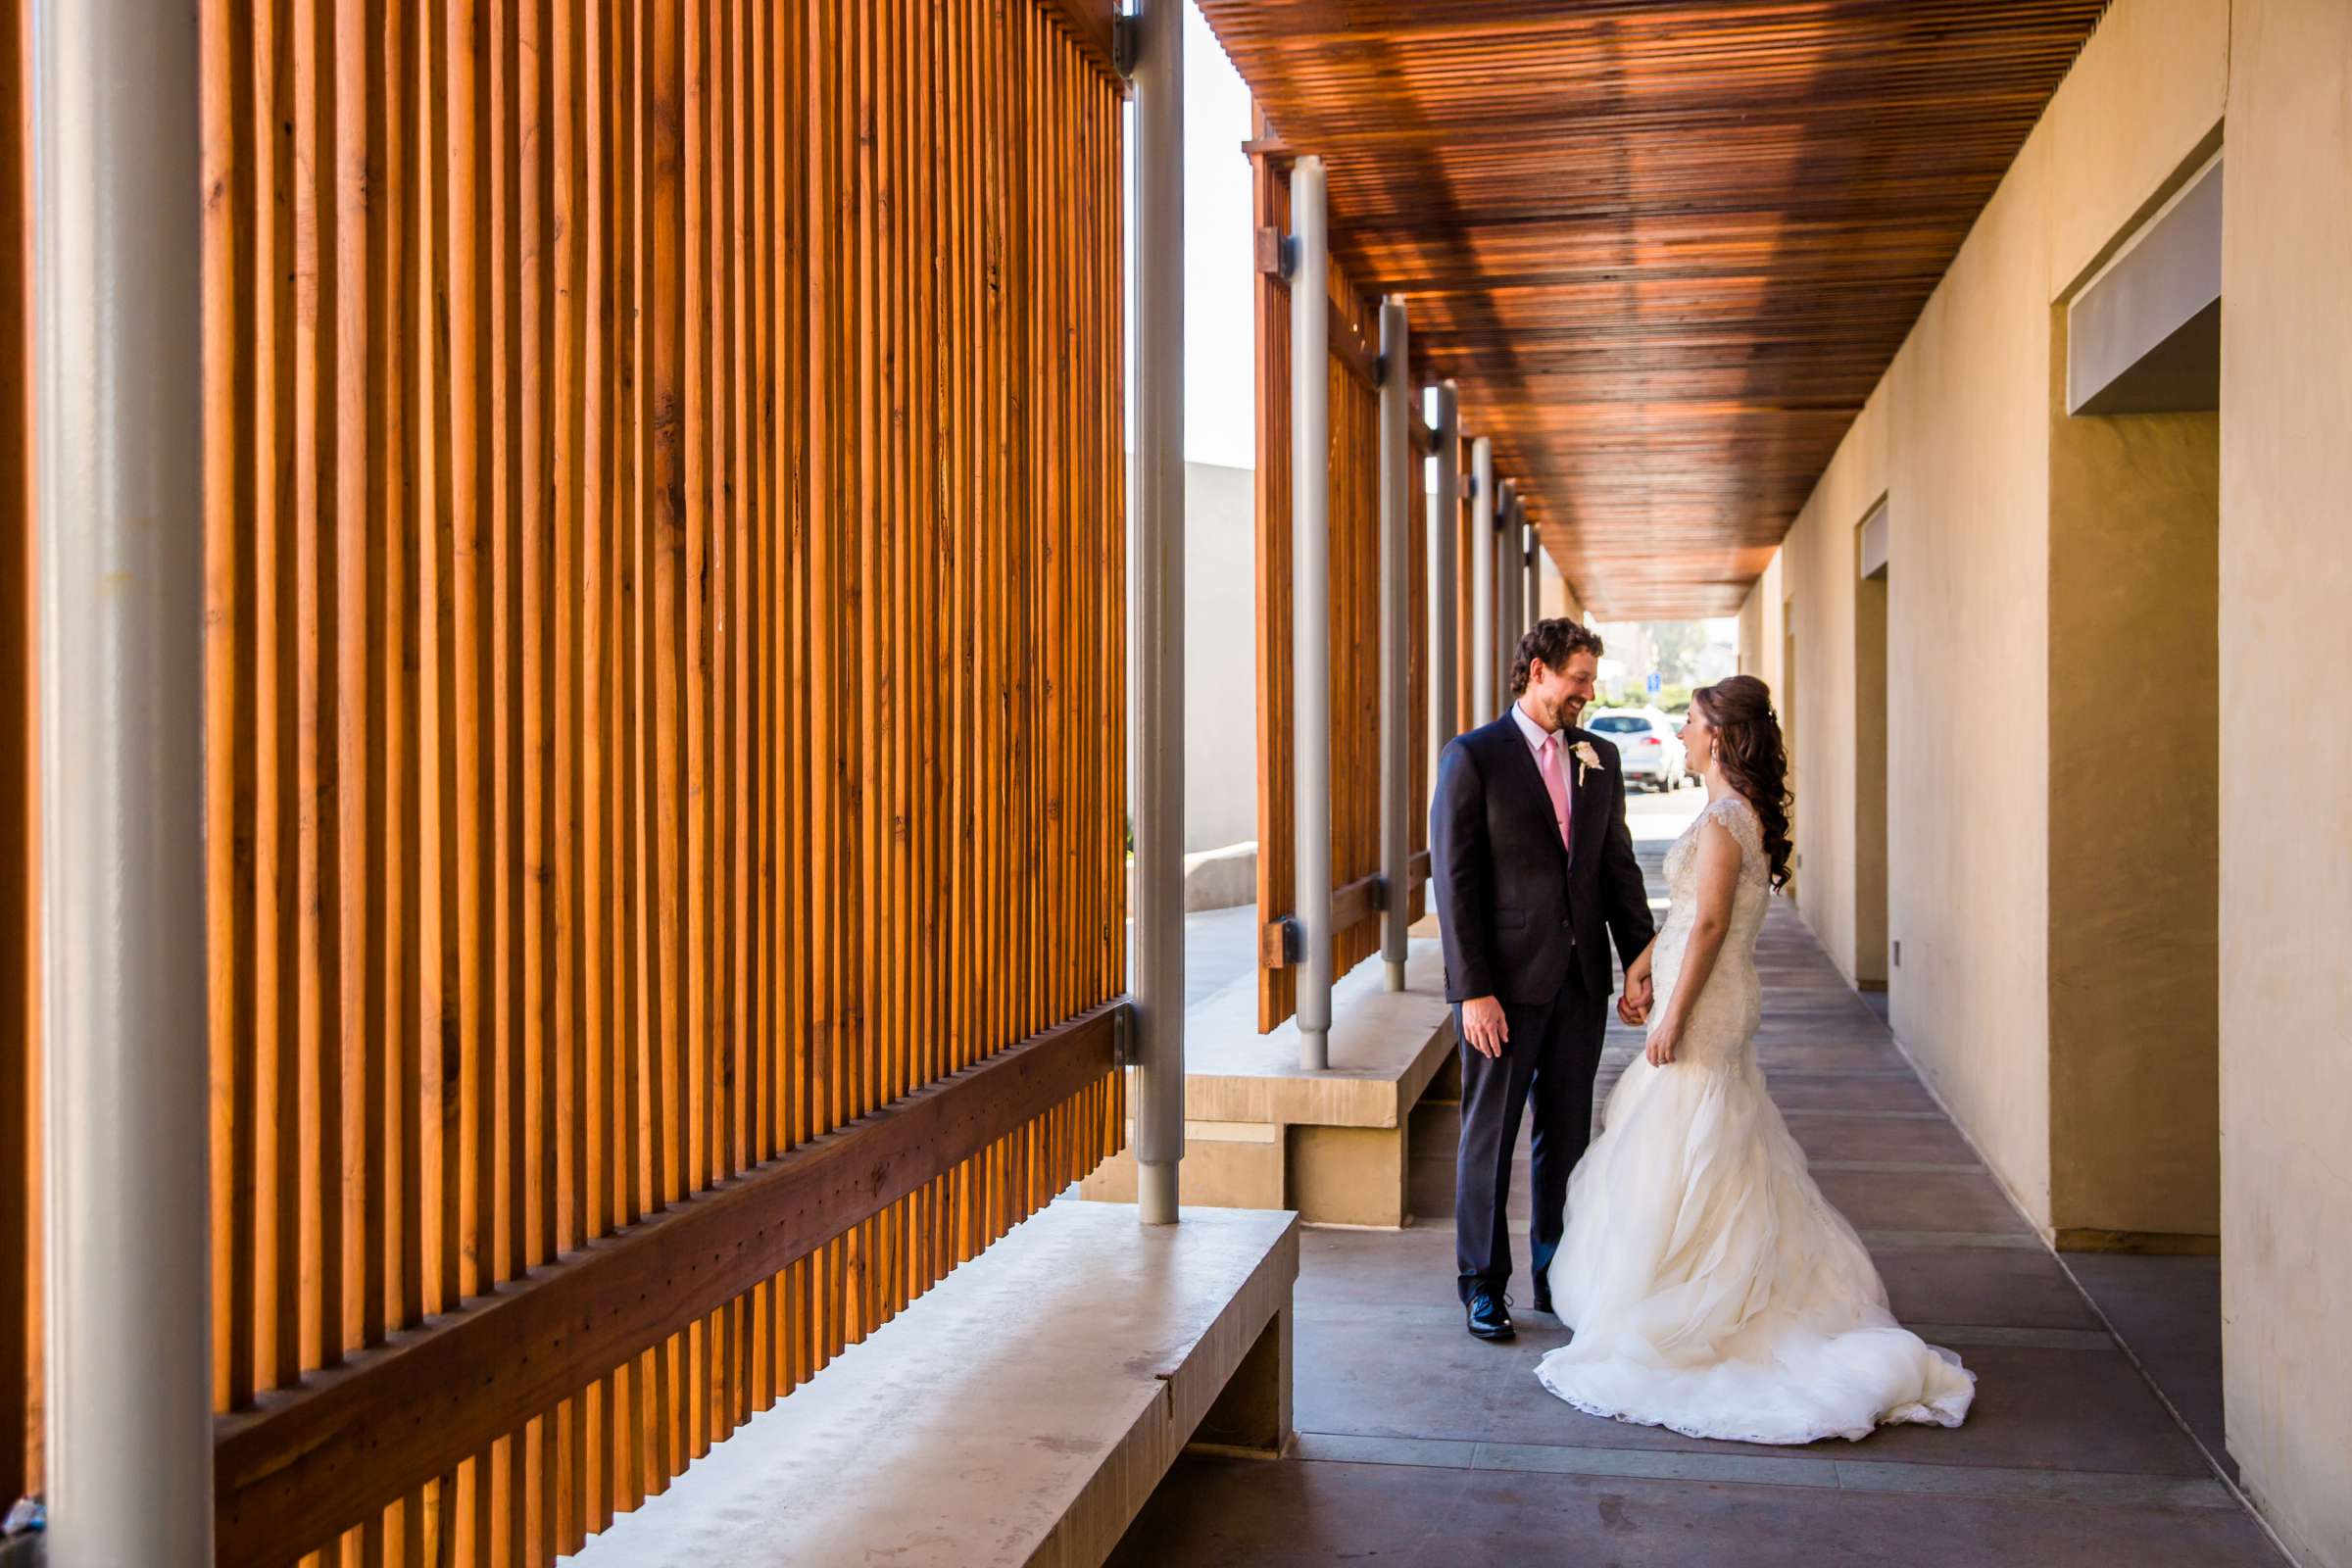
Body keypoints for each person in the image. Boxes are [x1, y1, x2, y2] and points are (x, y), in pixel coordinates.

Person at [1534, 675, 1976, 1443]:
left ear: (1721, 736)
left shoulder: (1723, 821)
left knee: (1692, 1143)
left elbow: (1706, 928)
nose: (1680, 734)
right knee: (1715, 1144)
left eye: (1693, 723)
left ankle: (1694, 1303)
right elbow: (1687, 925)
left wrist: (1671, 1012)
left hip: (1707, 1009)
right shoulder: (1736, 817)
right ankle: (1700, 1280)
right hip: (1710, 995)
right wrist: (1641, 966)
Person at [1429, 619, 1655, 1343]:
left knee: (1566, 1138)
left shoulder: (1601, 758)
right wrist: (1472, 990)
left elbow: (1615, 870)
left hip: (1581, 983)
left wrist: (1643, 961)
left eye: (1590, 680)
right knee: (1489, 1137)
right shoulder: (1474, 757)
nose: (1588, 694)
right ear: (1536, 673)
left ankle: (1557, 1277)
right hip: (1501, 990)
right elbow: (1454, 882)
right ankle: (1482, 1286)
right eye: (1579, 680)